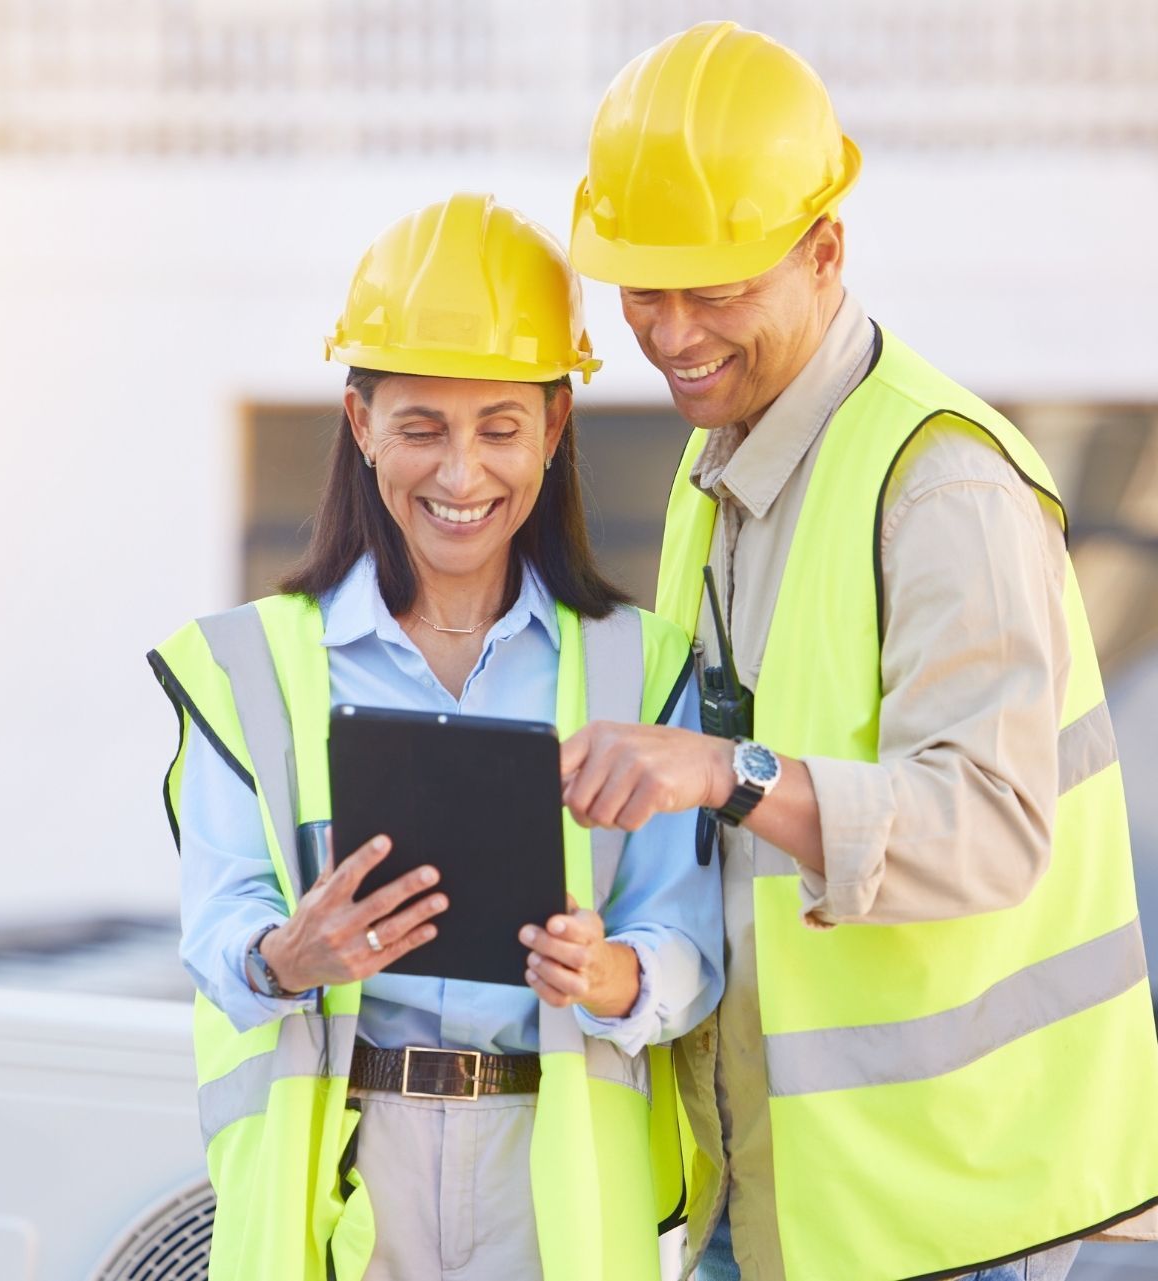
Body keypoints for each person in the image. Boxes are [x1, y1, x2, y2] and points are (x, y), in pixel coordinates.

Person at [559, 21, 1158, 1281]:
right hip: (771, 1191)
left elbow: (995, 825)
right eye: (643, 290)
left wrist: (729, 774)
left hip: (945, 1210)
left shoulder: (942, 486)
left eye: (715, 289)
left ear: (825, 252)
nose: (671, 335)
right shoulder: (717, 463)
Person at [147, 192, 723, 1281]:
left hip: (548, 1191)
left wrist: (609, 975)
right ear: (361, 425)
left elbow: (691, 950)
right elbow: (218, 926)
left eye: (500, 429)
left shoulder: (641, 668)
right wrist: (287, 956)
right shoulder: (248, 670)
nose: (462, 477)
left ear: (554, 430)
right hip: (348, 1183)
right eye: (421, 429)